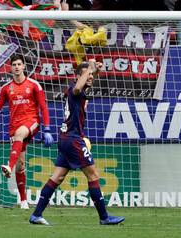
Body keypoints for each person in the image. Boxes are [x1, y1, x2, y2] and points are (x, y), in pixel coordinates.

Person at [29, 59, 125, 225]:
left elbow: (86, 82)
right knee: (93, 174)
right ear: (79, 76)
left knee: (57, 177)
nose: (91, 78)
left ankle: (36, 214)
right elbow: (79, 86)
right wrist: (91, 66)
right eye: (88, 75)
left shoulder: (79, 89)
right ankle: (104, 217)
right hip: (73, 139)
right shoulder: (75, 89)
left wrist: (94, 70)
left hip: (66, 138)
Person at [0, 54, 54, 209]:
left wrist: (46, 129)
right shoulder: (6, 88)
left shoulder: (34, 85)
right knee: (21, 165)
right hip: (14, 126)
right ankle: (24, 201)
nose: (17, 67)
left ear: (24, 66)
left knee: (20, 134)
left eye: (19, 64)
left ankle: (8, 166)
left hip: (31, 122)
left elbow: (43, 107)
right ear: (10, 67)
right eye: (14, 65)